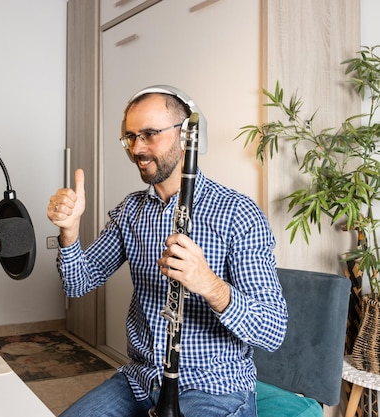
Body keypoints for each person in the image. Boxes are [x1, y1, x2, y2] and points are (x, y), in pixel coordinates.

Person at [46, 85, 288, 417]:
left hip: (214, 387)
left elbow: (272, 330)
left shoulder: (237, 213)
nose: (137, 148)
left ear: (187, 135)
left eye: (149, 134)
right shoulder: (131, 211)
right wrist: (69, 233)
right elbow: (78, 284)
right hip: (141, 380)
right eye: (131, 137)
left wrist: (209, 284)